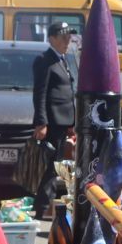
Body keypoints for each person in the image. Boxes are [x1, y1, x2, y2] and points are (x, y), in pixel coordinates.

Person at [30, 20, 77, 217]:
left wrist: (72, 122)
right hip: (52, 122)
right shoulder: (45, 60)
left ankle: (43, 206)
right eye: (63, 36)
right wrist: (41, 123)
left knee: (56, 167)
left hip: (64, 122)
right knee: (50, 168)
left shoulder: (65, 59)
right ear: (52, 38)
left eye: (69, 36)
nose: (67, 40)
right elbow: (40, 93)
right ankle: (42, 208)